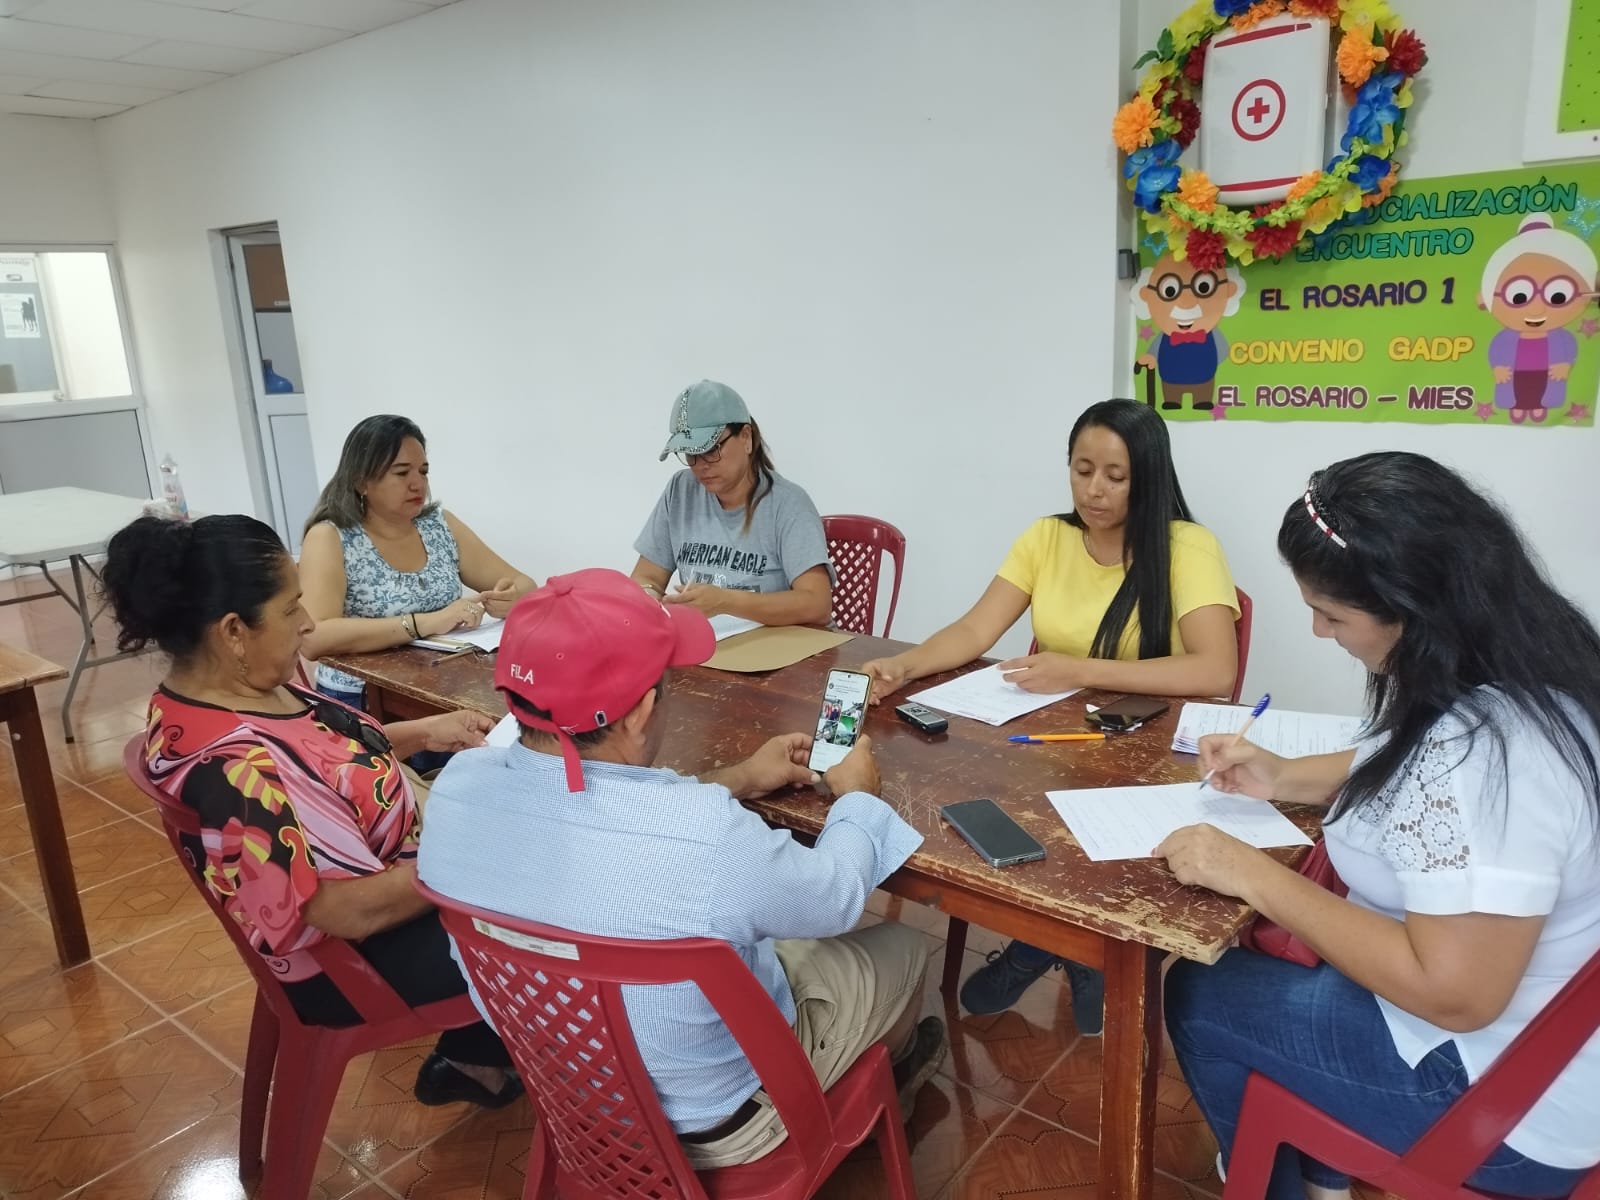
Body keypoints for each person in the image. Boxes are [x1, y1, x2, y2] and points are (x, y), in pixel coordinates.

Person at [1159, 453, 1600, 1200]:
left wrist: (1247, 872)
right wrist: (1281, 775)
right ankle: (1320, 1165)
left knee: (1202, 996)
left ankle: (1285, 1178)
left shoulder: (1488, 755)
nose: (1317, 630)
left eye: (1333, 616)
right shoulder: (1530, 662)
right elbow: (1397, 756)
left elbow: (1457, 995)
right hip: (1540, 1053)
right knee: (1291, 964)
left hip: (1504, 1106)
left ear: (1414, 609)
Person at [418, 568, 947, 1169]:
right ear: (643, 710)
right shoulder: (706, 836)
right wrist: (858, 798)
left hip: (572, 1097)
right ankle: (874, 1096)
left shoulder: (458, 787)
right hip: (723, 1119)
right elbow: (836, 898)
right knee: (905, 946)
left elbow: (609, 806)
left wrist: (741, 778)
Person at [106, 514, 521, 1109]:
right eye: (290, 607)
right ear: (233, 631)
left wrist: (424, 731)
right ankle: (579, 1077)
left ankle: (476, 1056)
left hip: (388, 888)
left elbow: (319, 756)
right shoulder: (235, 768)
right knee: (558, 897)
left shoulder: (233, 690)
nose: (307, 622)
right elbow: (345, 910)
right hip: (356, 960)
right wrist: (475, 856)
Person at [862, 397, 1240, 1026]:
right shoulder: (1047, 537)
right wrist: (905, 665)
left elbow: (1215, 670)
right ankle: (1056, 946)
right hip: (1054, 745)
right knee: (987, 810)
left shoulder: (1188, 548)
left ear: (1148, 477)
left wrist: (1081, 669)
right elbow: (976, 629)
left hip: (1146, 759)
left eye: (1115, 476)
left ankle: (1059, 950)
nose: (1094, 490)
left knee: (1078, 840)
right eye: (1082, 470)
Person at [299, 414, 537, 708]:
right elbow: (313, 637)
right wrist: (424, 623)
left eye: (423, 472)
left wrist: (512, 599)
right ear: (362, 481)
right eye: (402, 473)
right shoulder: (330, 537)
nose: (417, 484)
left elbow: (525, 584)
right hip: (362, 696)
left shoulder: (439, 525)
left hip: (444, 685)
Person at [630, 380, 832, 627]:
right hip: (710, 643)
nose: (701, 465)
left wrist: (726, 602)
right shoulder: (681, 490)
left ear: (746, 437)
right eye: (690, 453)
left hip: (777, 645)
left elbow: (817, 604)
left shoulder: (788, 504)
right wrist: (648, 598)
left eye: (712, 449)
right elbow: (647, 577)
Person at [1479, 212, 1598, 424]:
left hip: (1547, 374)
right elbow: (1496, 351)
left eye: (1558, 296)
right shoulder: (1505, 338)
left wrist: (1564, 365)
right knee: (1518, 389)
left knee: (1542, 389)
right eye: (1519, 297)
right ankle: (1517, 406)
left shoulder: (1562, 337)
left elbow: (1569, 349)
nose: (1536, 309)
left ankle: (1538, 406)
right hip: (1516, 375)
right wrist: (1498, 368)